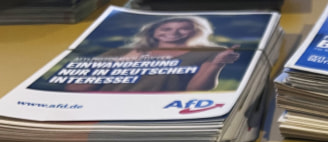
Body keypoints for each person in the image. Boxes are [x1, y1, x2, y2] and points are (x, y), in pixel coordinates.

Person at [65, 15, 239, 93]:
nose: (174, 33)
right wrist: (117, 65)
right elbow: (76, 88)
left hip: (162, 111)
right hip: (105, 111)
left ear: (195, 32)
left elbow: (196, 89)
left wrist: (217, 64)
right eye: (166, 28)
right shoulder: (119, 52)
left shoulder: (208, 53)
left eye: (183, 28)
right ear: (154, 32)